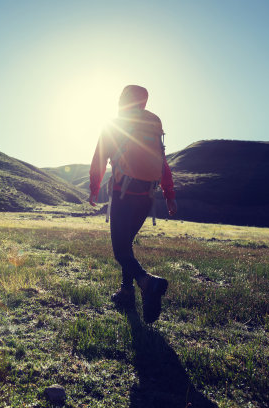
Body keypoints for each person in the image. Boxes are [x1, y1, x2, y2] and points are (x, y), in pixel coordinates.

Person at [88, 85, 177, 323]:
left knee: (120, 251)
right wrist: (169, 195)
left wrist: (94, 189)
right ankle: (126, 292)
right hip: (147, 196)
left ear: (122, 100)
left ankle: (148, 283)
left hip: (123, 192)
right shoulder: (152, 126)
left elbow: (99, 159)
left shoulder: (113, 125)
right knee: (126, 244)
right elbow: (162, 163)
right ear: (143, 103)